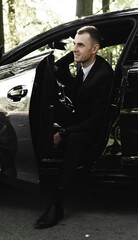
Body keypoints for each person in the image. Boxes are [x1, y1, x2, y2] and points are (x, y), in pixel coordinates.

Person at [35, 26, 114, 229]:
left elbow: (97, 121)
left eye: (80, 45)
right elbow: (67, 78)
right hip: (79, 120)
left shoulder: (104, 75)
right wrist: (60, 65)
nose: (75, 50)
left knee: (73, 141)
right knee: (46, 111)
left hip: (93, 131)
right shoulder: (84, 66)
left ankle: (57, 202)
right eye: (73, 45)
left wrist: (63, 132)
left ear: (95, 48)